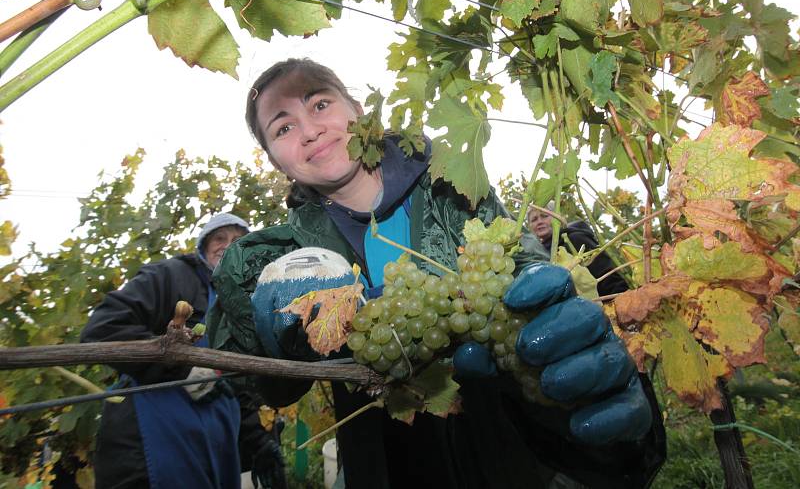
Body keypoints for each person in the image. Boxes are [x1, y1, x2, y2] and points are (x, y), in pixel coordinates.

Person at [207, 59, 666, 488]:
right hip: (388, 468)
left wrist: (572, 368)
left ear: (359, 111)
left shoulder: (456, 188)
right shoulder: (277, 258)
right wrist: (267, 336)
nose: (309, 130)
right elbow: (261, 385)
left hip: (506, 455)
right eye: (283, 127)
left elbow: (524, 270)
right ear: (274, 160)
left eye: (320, 103)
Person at [81, 213, 286, 489]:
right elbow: (102, 330)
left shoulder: (241, 304)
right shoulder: (170, 276)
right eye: (219, 238)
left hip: (209, 452)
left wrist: (260, 444)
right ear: (203, 246)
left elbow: (235, 387)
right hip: (148, 448)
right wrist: (181, 368)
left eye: (238, 241)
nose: (228, 245)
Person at [524, 203, 630, 297]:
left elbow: (605, 272)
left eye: (544, 216)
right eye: (534, 219)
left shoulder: (575, 238)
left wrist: (620, 300)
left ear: (557, 217)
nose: (539, 222)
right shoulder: (539, 253)